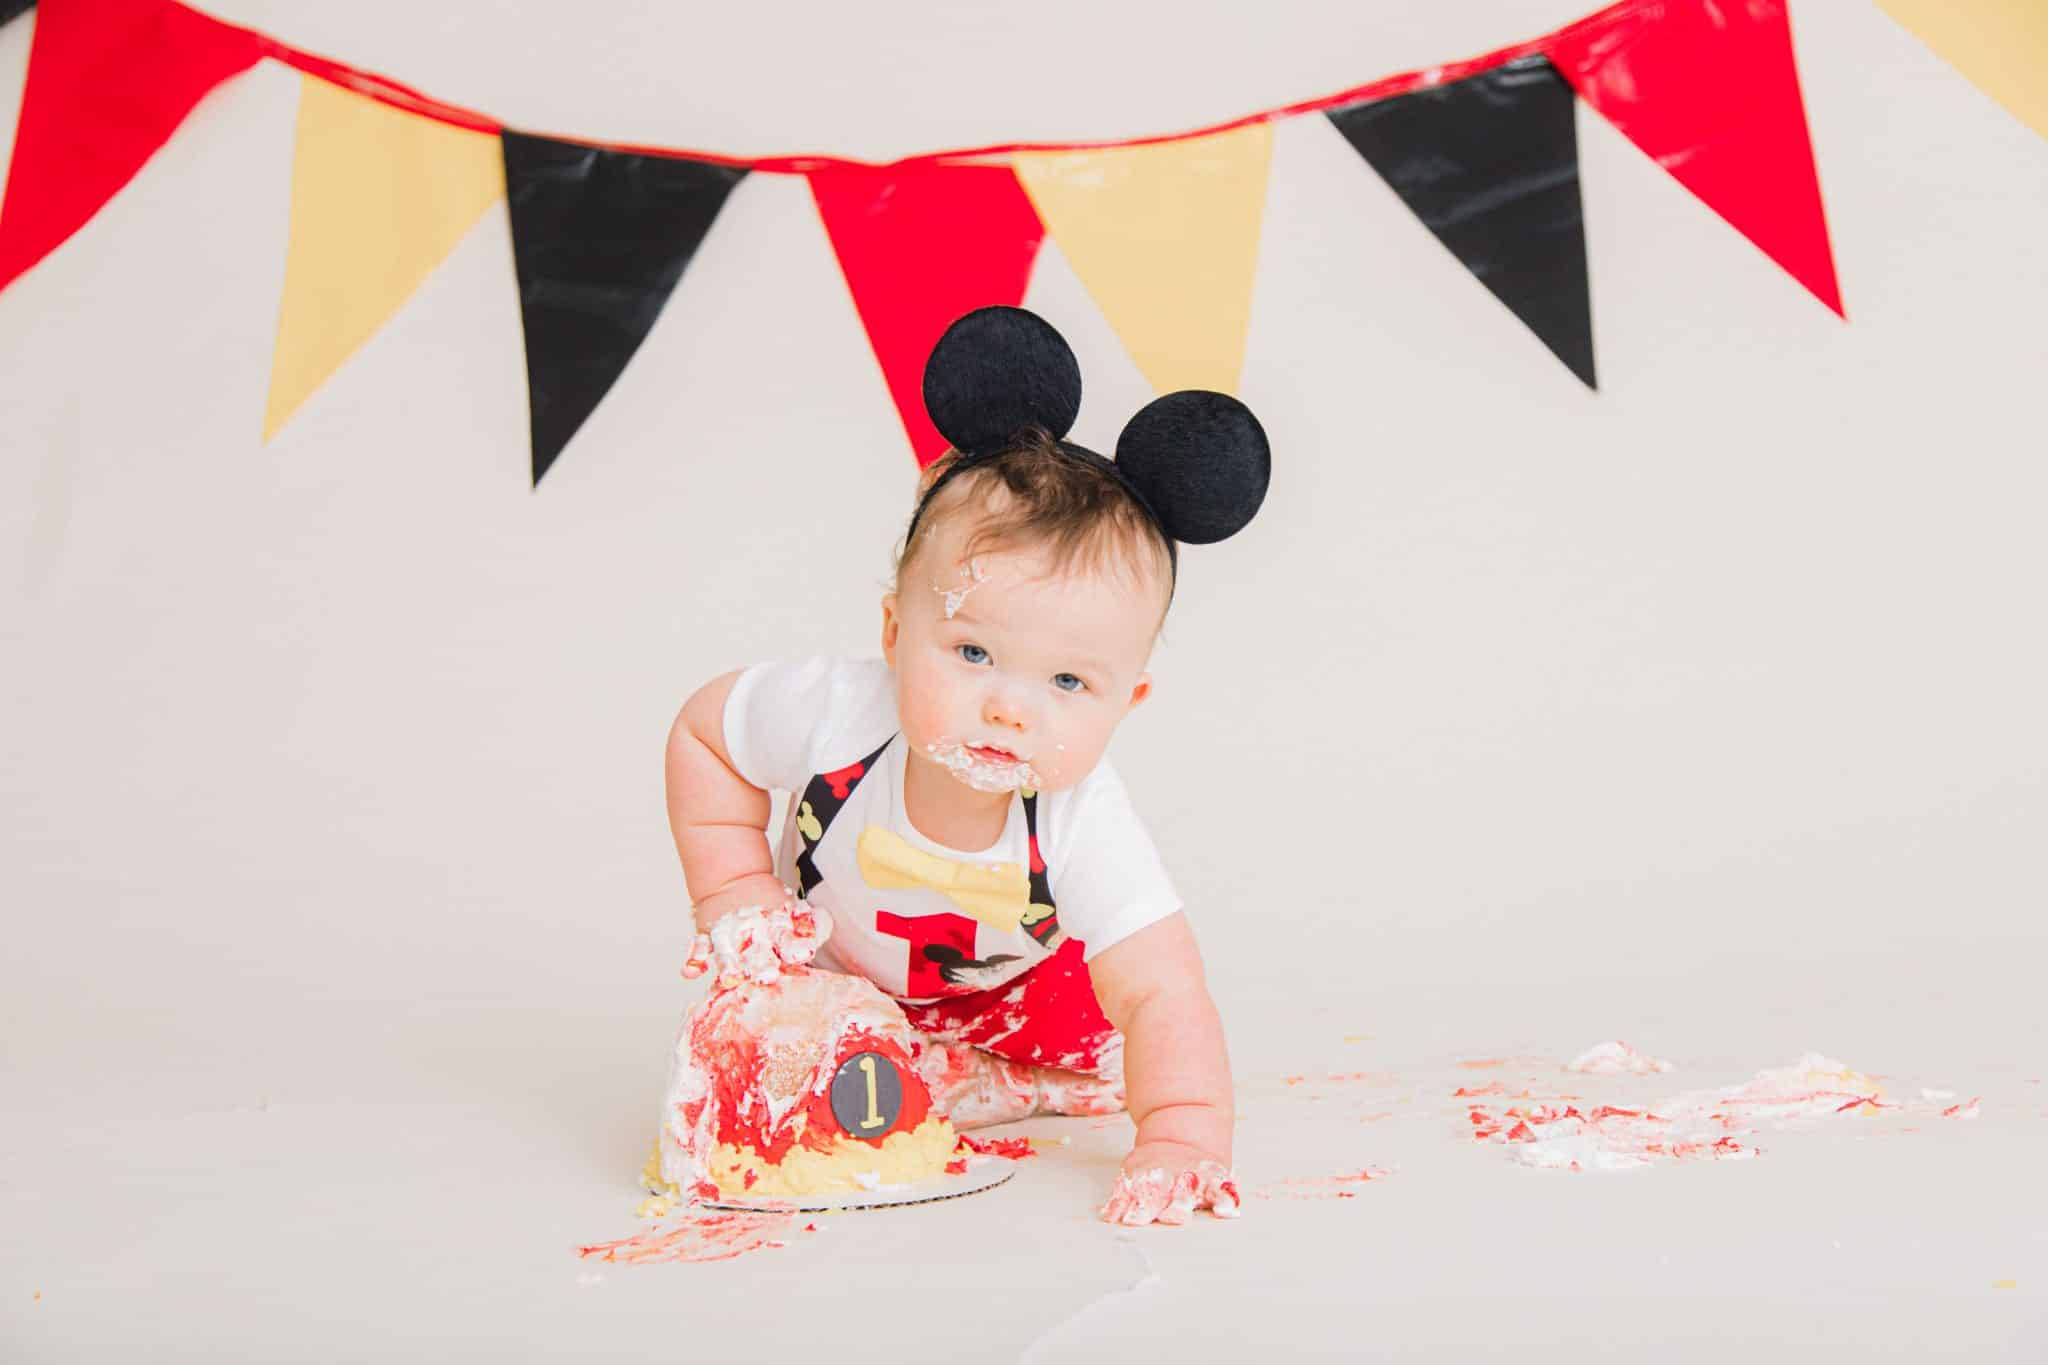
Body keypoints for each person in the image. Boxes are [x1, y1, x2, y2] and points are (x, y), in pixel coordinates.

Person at [663, 306, 1270, 1226]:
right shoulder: (838, 714)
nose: (1009, 707)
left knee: (1117, 1030)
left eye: (1068, 680)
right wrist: (735, 891)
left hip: (1008, 991)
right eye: (974, 654)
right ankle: (892, 1067)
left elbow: (1161, 987)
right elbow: (706, 734)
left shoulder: (1080, 816)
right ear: (896, 633)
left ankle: (992, 1074)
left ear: (1124, 705)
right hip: (845, 971)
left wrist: (1183, 1132)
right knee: (769, 1036)